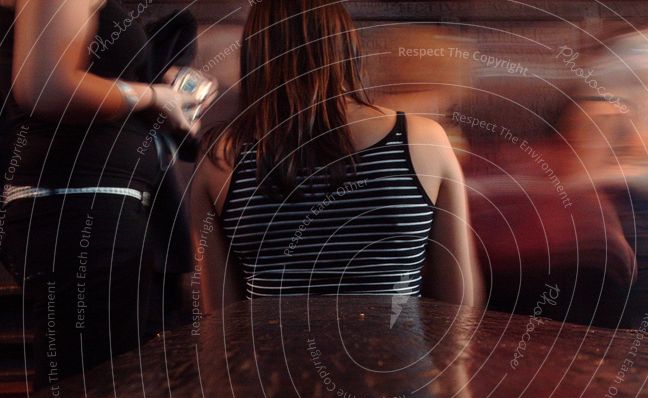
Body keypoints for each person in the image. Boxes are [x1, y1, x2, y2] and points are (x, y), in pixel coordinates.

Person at [191, 0, 482, 311]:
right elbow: (461, 303)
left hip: (269, 358)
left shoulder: (221, 160)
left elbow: (219, 319)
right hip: (397, 357)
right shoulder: (423, 141)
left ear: (255, 55)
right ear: (347, 46)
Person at [0, 0, 202, 388]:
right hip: (81, 206)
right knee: (95, 394)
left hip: (90, 204)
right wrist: (158, 97)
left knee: (106, 389)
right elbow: (46, 87)